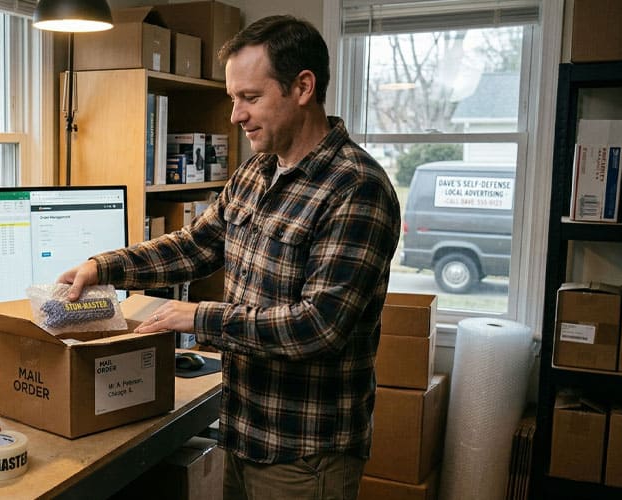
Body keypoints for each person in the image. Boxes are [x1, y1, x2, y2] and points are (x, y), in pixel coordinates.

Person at [58, 16, 400, 500]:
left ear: (303, 86)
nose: (236, 115)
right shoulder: (255, 172)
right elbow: (195, 246)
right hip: (241, 432)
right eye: (233, 98)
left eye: (251, 98)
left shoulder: (356, 188)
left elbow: (319, 326)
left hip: (304, 455)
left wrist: (198, 315)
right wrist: (104, 266)